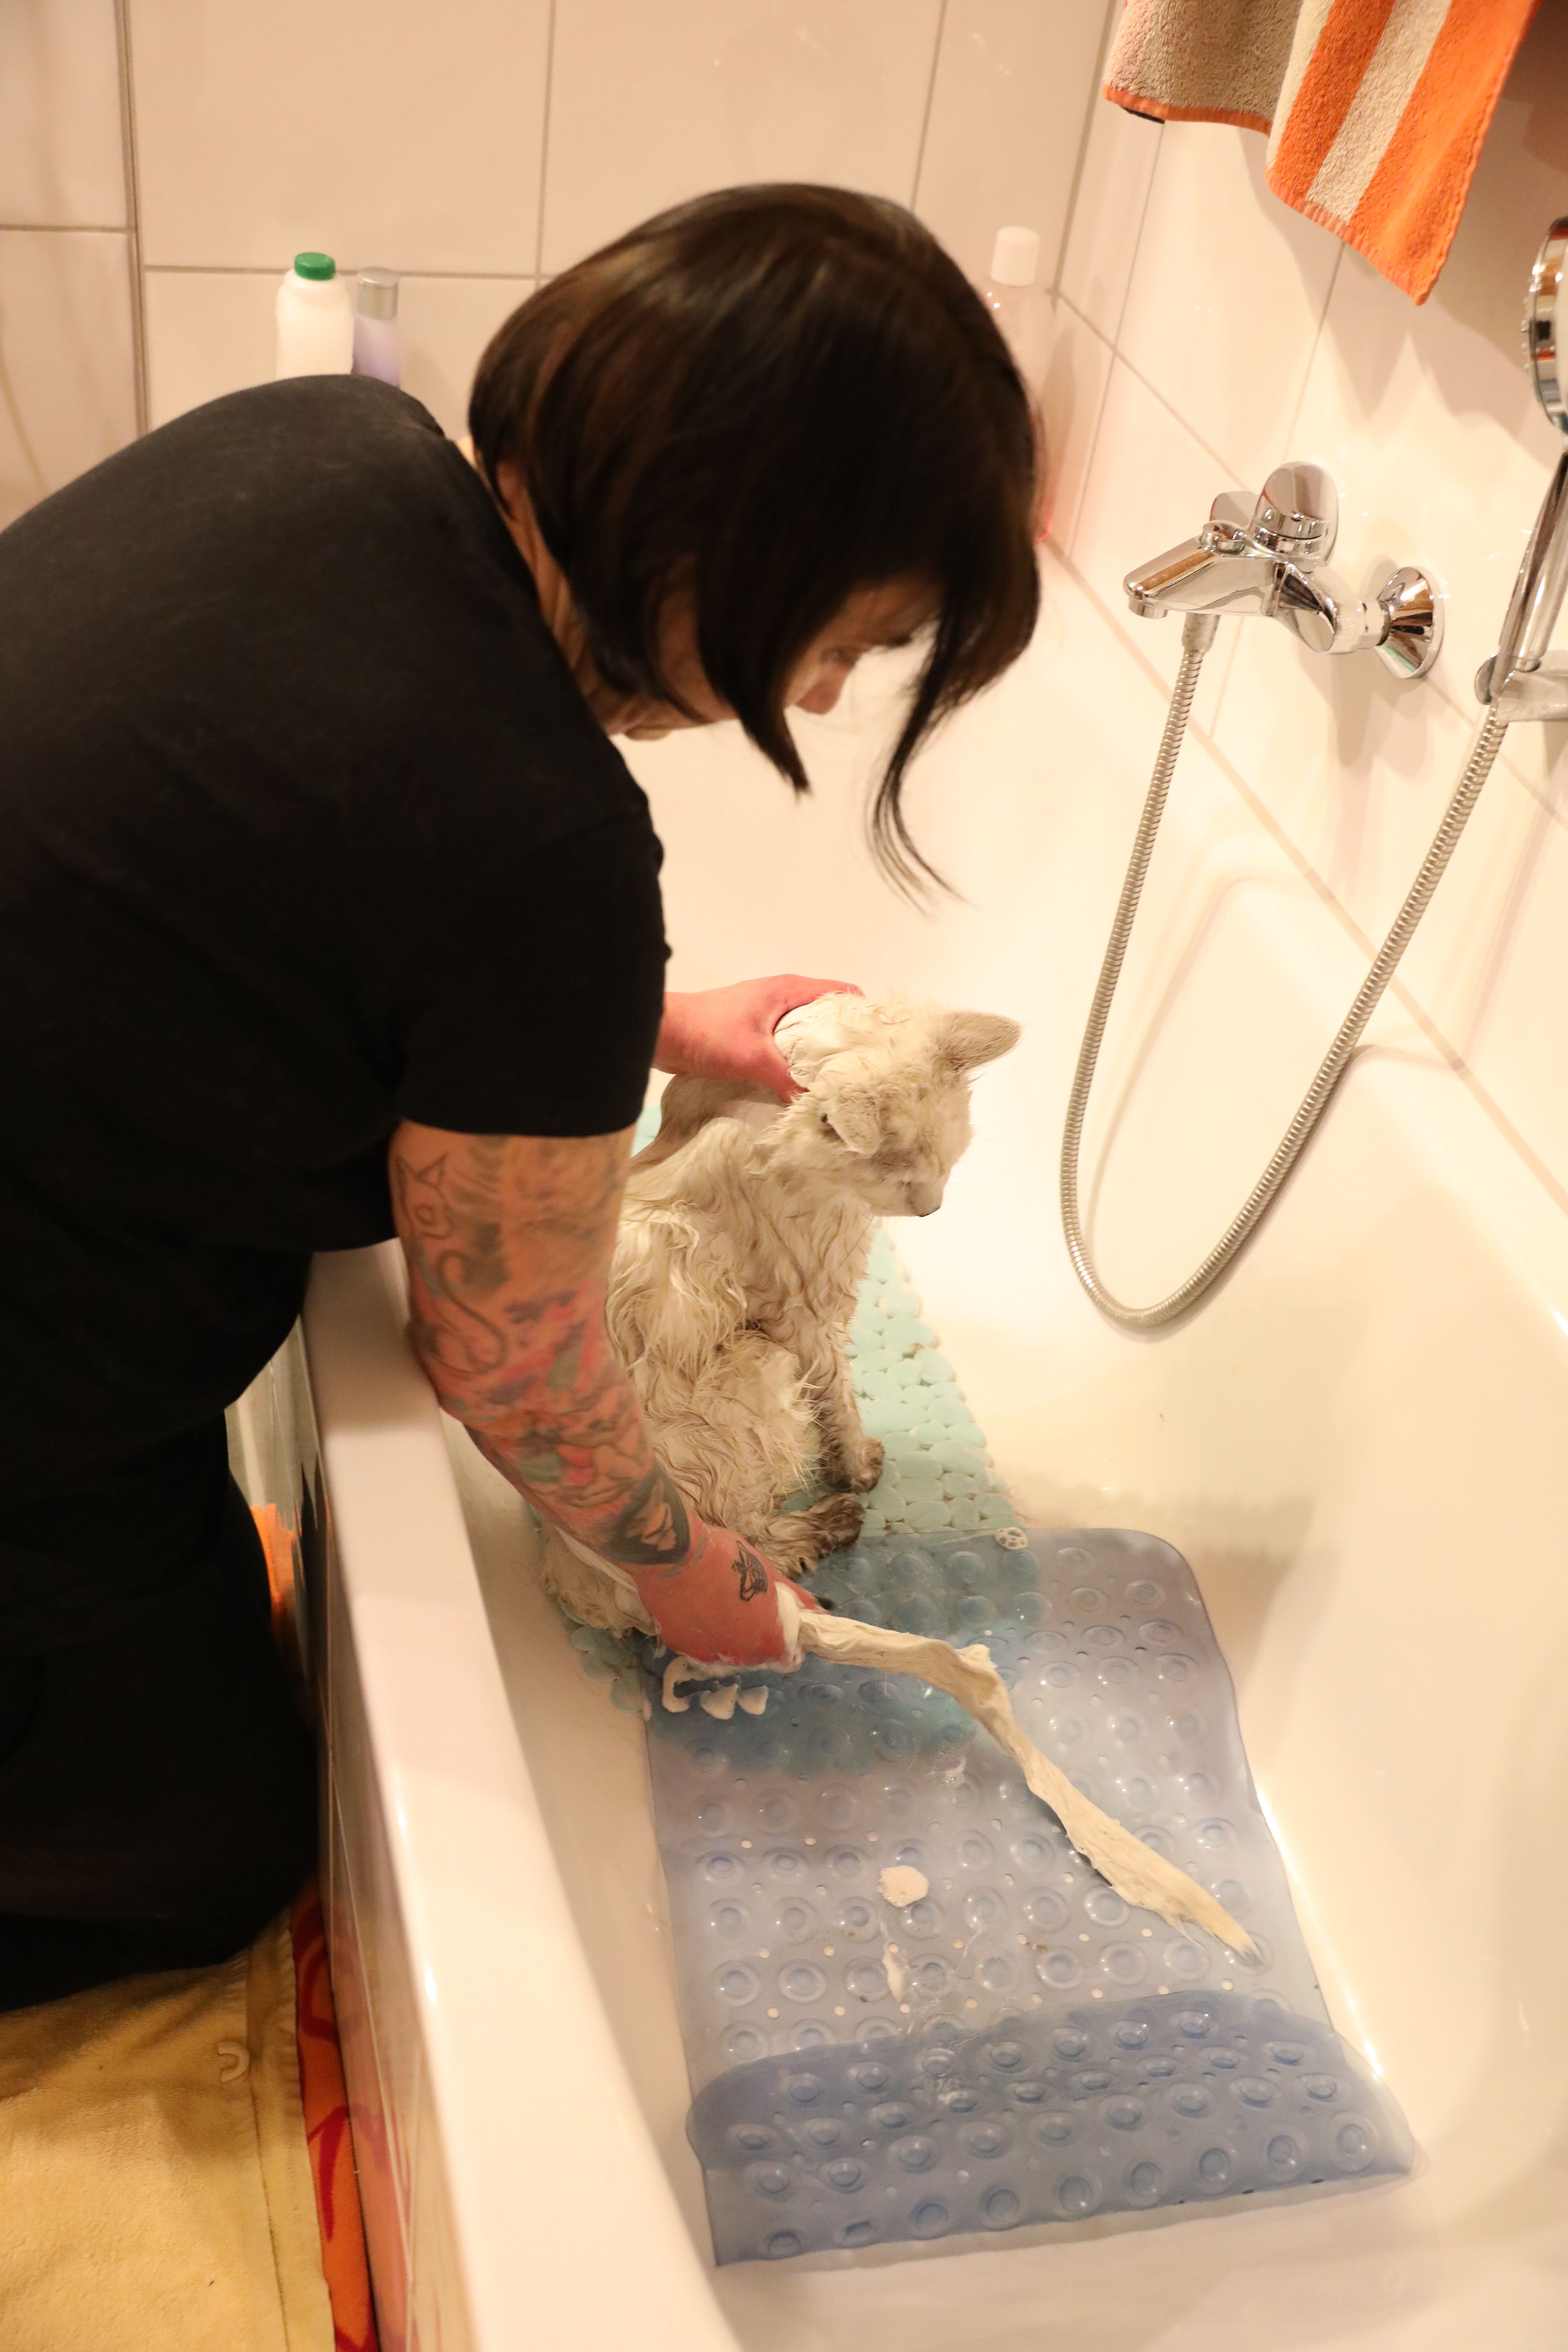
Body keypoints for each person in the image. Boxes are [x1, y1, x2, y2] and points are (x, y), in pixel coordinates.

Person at [0, 184, 1038, 2009]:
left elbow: (302, 873)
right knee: (199, 1844)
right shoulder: (546, 847)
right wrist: (692, 1566)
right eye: (844, 640)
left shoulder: (330, 446)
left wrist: (656, 1024)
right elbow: (511, 1362)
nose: (820, 697)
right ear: (727, 551)